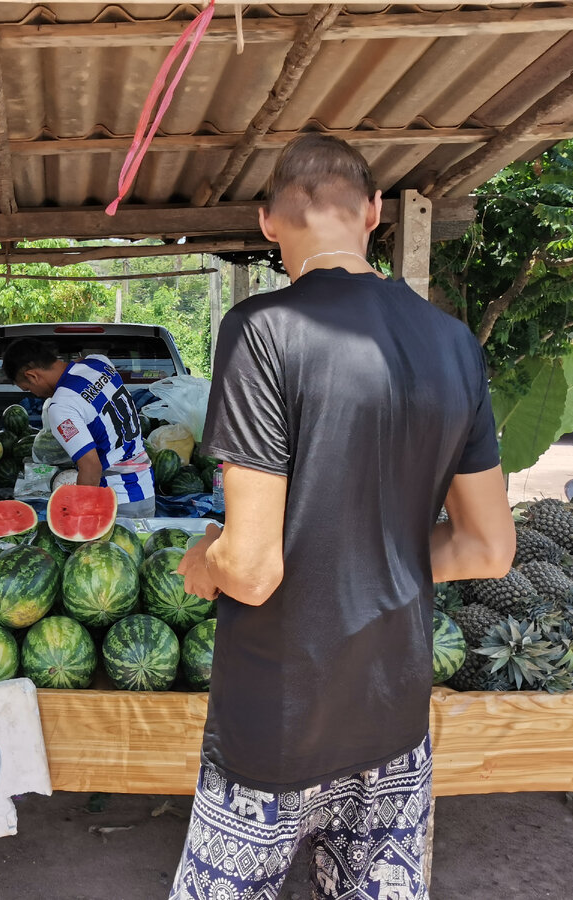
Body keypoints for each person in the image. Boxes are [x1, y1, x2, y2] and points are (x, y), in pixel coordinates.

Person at [170, 134, 515, 900]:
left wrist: (202, 563)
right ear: (373, 212)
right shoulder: (454, 344)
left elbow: (252, 568)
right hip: (394, 720)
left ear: (266, 222)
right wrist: (379, 552)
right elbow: (489, 546)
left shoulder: (261, 330)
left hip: (277, 722)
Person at [3, 339, 155, 517]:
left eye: (28, 388)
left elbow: (91, 468)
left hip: (114, 502)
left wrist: (79, 516)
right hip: (146, 490)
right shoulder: (100, 363)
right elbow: (79, 362)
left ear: (33, 376)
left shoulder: (61, 406)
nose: (34, 394)